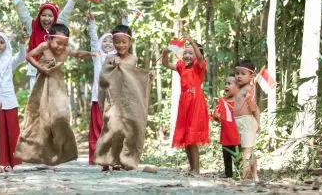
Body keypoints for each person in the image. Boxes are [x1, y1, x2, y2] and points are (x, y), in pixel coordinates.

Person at [14, 23, 96, 166]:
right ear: (50, 39)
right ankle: (38, 154)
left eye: (64, 44)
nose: (60, 47)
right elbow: (29, 56)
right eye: (58, 43)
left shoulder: (65, 50)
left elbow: (77, 54)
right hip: (42, 85)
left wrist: (89, 54)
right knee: (41, 119)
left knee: (61, 116)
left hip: (58, 86)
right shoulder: (44, 46)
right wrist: (41, 68)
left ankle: (62, 152)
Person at [94, 25, 153, 171]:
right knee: (112, 128)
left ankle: (123, 160)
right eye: (117, 42)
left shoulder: (133, 59)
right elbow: (103, 78)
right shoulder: (110, 58)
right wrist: (112, 66)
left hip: (128, 101)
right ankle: (106, 160)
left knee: (127, 130)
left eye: (124, 42)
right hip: (113, 100)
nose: (120, 45)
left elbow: (134, 78)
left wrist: (147, 76)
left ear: (130, 43)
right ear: (113, 43)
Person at [11, 0, 82, 91]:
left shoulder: (58, 27)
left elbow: (67, 11)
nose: (47, 18)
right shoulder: (33, 27)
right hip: (35, 71)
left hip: (53, 72)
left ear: (55, 17)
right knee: (35, 102)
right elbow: (22, 11)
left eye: (50, 16)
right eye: (44, 15)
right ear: (39, 16)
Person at [162, 36, 209, 174]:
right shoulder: (182, 66)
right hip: (184, 102)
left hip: (195, 102)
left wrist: (191, 42)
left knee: (192, 137)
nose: (187, 55)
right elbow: (166, 64)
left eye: (191, 53)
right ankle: (192, 167)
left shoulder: (198, 66)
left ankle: (197, 169)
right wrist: (165, 53)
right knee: (186, 137)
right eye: (185, 53)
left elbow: (200, 58)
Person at [86, 11, 128, 165]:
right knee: (98, 128)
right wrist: (92, 23)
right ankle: (96, 157)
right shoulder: (97, 56)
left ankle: (111, 156)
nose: (108, 44)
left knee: (112, 128)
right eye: (105, 41)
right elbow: (93, 39)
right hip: (98, 98)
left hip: (114, 99)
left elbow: (125, 39)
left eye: (111, 41)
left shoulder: (118, 57)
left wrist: (124, 20)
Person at [0, 31, 26, 172]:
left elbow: (22, 57)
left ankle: (14, 162)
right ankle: (0, 162)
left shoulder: (10, 59)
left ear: (6, 44)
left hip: (9, 98)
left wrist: (22, 43)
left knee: (12, 132)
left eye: (2, 42)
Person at [234, 59, 260, 181]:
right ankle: (254, 175)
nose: (239, 76)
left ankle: (243, 178)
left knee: (247, 152)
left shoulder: (248, 88)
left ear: (251, 76)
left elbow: (254, 108)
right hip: (238, 122)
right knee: (247, 150)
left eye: (243, 74)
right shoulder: (237, 88)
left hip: (247, 122)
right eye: (237, 73)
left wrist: (250, 100)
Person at [212, 75, 240, 178]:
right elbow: (216, 113)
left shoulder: (240, 101)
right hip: (225, 135)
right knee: (226, 156)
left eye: (229, 83)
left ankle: (239, 172)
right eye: (226, 83)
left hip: (237, 135)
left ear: (238, 87)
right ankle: (228, 173)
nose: (226, 86)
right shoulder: (222, 101)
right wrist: (216, 115)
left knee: (238, 155)